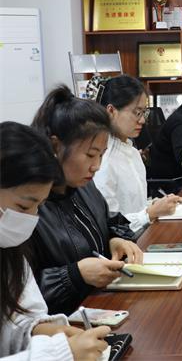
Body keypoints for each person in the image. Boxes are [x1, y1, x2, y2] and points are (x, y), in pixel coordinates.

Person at [0, 122, 110, 361]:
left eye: (39, 206)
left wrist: (46, 331)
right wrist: (59, 353)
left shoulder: (8, 245)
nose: (31, 218)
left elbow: (17, 316)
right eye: (23, 206)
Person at [29, 86, 143, 315]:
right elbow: (19, 294)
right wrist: (75, 275)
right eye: (90, 155)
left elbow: (109, 221)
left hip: (101, 307)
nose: (96, 166)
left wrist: (115, 240)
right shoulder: (29, 205)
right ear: (55, 146)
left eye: (101, 155)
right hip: (62, 322)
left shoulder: (83, 186)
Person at [94, 75, 182, 234]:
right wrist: (150, 213)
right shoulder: (103, 159)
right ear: (111, 111)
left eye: (144, 113)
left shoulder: (132, 152)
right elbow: (109, 226)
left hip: (143, 234)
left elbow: (135, 205)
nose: (142, 121)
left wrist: (156, 205)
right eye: (137, 113)